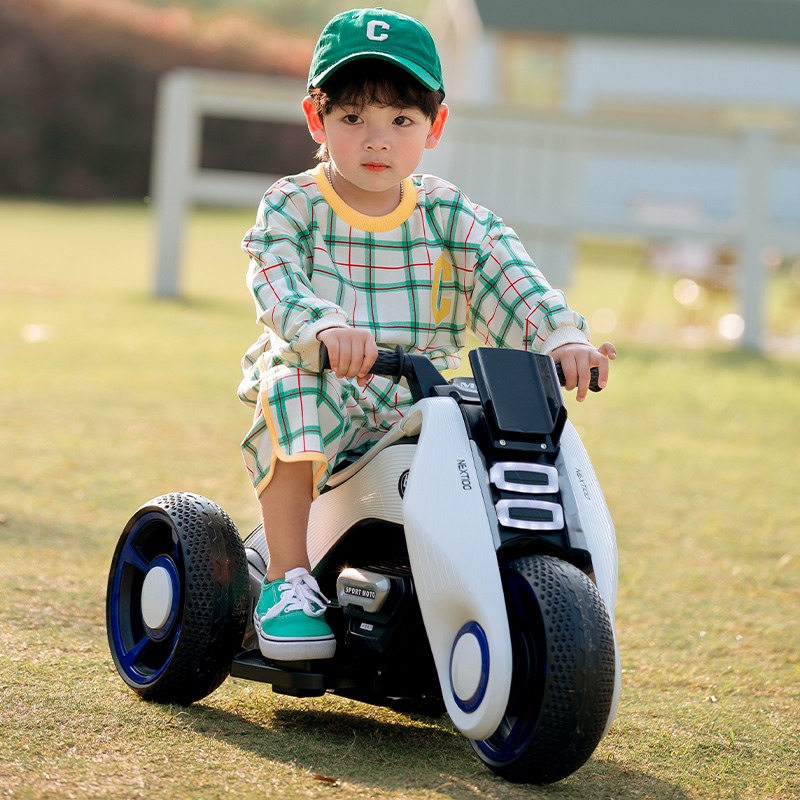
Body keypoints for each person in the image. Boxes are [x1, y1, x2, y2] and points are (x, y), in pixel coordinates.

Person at [238, 7, 616, 661]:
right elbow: (276, 278)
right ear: (316, 119)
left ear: (434, 126)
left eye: (400, 121)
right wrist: (327, 327)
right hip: (326, 375)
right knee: (291, 382)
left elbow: (511, 276)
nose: (376, 141)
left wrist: (559, 337)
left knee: (494, 421)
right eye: (353, 118)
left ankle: (485, 579)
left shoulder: (450, 216)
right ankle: (287, 579)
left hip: (422, 392)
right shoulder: (293, 205)